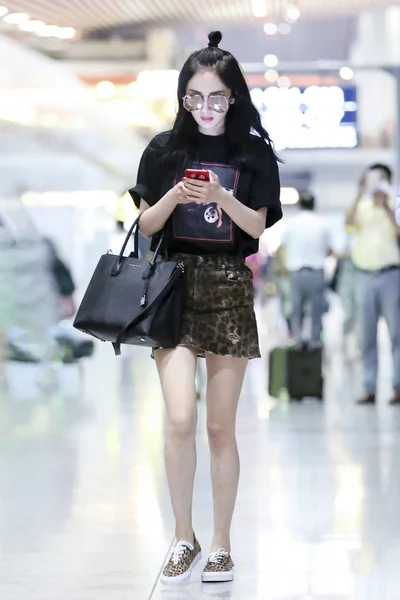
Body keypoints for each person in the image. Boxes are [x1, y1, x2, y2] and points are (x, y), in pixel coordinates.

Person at [128, 31, 282, 584]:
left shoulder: (252, 152)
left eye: (216, 97)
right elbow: (145, 226)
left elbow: (257, 228)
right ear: (183, 97)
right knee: (179, 418)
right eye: (194, 97)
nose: (205, 108)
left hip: (228, 290)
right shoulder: (165, 149)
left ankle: (220, 543)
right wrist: (175, 196)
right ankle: (182, 536)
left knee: (220, 427)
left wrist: (221, 197)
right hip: (174, 285)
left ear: (233, 98)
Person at [346, 164, 400, 405]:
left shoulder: (395, 205)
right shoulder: (362, 207)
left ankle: (398, 386)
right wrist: (359, 194)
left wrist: (388, 207)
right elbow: (348, 224)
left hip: (391, 275)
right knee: (366, 336)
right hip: (364, 275)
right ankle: (369, 387)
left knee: (396, 334)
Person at [279, 192, 331, 345]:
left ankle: (297, 340)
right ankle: (315, 341)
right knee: (316, 309)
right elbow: (329, 250)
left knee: (296, 308)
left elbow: (283, 247)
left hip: (296, 272)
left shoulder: (291, 223)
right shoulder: (322, 223)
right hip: (316, 271)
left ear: (299, 205)